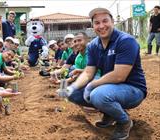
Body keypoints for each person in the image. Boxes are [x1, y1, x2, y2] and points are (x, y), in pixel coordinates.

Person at [59, 8, 147, 140]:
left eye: (105, 21)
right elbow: (89, 72)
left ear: (113, 22)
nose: (101, 26)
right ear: (93, 26)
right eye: (97, 23)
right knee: (72, 93)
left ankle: (124, 121)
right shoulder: (94, 45)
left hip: (133, 90)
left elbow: (119, 76)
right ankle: (110, 112)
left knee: (98, 94)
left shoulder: (126, 41)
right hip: (109, 88)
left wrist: (92, 85)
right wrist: (73, 87)